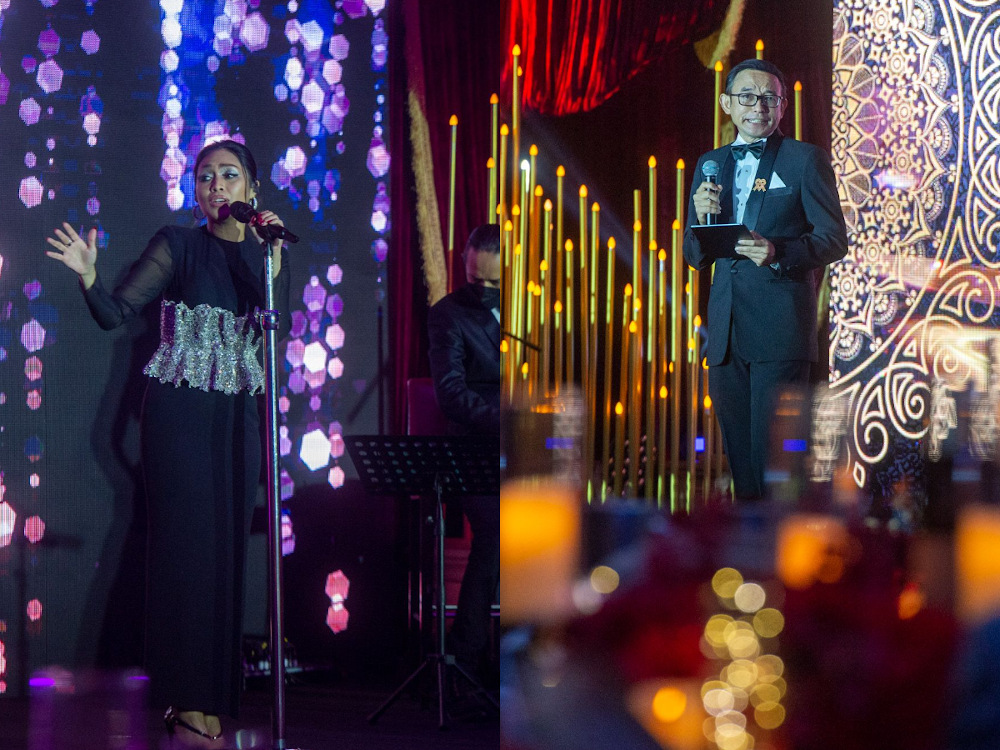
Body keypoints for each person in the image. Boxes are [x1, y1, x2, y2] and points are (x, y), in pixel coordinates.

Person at [46, 139, 290, 747]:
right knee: (186, 556)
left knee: (227, 555)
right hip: (179, 417)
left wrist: (272, 261)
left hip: (237, 417)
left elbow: (272, 329)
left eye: (229, 176)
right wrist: (89, 276)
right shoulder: (178, 244)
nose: (216, 186)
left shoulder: (264, 255)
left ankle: (213, 700)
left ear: (252, 190)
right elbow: (115, 313)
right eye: (205, 177)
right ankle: (184, 703)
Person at [683, 58, 848, 501]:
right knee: (741, 466)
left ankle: (782, 541)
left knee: (776, 466)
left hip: (780, 330)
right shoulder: (710, 163)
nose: (758, 106)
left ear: (782, 106)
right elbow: (694, 255)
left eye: (769, 98)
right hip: (725, 334)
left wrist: (778, 253)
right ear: (727, 103)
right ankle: (747, 544)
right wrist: (699, 216)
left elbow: (834, 240)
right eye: (747, 97)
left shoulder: (804, 160)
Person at [426, 224, 501, 695]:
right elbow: (451, 394)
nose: (485, 290)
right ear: (464, 266)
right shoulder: (448, 315)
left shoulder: (534, 307)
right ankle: (464, 664)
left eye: (495, 282)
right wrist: (508, 422)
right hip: (474, 450)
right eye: (477, 280)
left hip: (535, 448)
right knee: (497, 535)